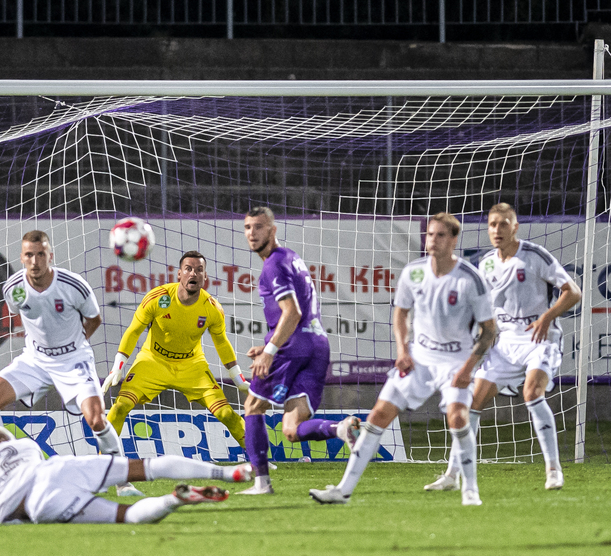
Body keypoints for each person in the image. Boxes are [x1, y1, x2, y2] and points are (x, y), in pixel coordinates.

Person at [311, 212, 497, 507]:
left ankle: (470, 490)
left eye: (440, 235)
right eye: (430, 234)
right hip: (418, 358)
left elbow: (489, 331)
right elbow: (400, 313)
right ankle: (342, 491)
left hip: (455, 362)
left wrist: (467, 368)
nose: (432, 240)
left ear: (453, 240)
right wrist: (402, 351)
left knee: (458, 418)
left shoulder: (470, 278)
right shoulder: (413, 272)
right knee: (378, 415)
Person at [425, 203, 580, 492]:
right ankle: (452, 475)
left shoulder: (534, 255)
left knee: (532, 392)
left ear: (515, 227)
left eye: (504, 224)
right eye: (493, 225)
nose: (497, 230)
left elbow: (573, 292)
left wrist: (546, 317)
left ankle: (553, 470)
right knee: (471, 403)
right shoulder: (485, 264)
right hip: (505, 344)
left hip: (539, 340)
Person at [101, 250, 250, 497]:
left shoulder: (212, 308)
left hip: (192, 366)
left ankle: (258, 460)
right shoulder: (158, 298)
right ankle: (104, 467)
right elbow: (134, 330)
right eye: (188, 269)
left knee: (226, 412)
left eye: (199, 270)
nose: (193, 273)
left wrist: (238, 378)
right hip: (153, 361)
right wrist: (118, 366)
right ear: (179, 274)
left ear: (205, 277)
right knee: (119, 408)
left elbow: (222, 342)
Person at [0, 425, 251, 525]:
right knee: (147, 466)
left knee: (125, 516)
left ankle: (174, 500)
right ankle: (227, 471)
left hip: (41, 502)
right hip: (59, 467)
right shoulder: (24, 445)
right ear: (5, 442)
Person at [241, 207, 360, 495]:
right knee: (291, 429)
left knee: (253, 407)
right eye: (247, 227)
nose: (252, 233)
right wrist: (270, 343)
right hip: (317, 345)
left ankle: (261, 483)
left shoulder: (273, 264)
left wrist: (270, 350)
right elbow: (300, 313)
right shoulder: (292, 258)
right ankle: (340, 429)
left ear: (273, 230)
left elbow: (292, 312)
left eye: (258, 227)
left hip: (292, 346)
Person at [0, 231, 124, 461]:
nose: (35, 261)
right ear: (22, 257)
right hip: (36, 360)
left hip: (74, 360)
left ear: (50, 256)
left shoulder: (73, 285)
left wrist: (75, 345)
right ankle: (1, 465)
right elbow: (19, 313)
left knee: (96, 420)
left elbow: (94, 319)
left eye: (41, 254)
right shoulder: (13, 288)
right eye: (29, 255)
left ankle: (121, 472)